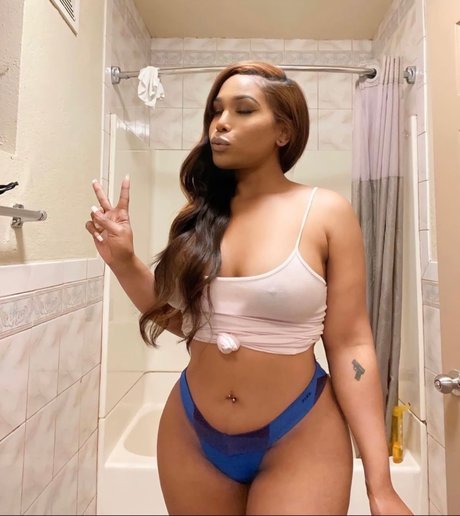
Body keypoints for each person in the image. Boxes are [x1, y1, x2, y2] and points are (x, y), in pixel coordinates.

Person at [86, 61, 412, 515]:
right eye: (216, 111)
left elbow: (351, 344)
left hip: (299, 433)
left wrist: (381, 485)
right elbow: (184, 323)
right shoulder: (198, 219)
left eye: (242, 110)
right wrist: (123, 262)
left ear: (283, 131)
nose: (220, 123)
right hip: (190, 432)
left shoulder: (325, 212)